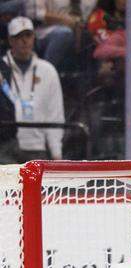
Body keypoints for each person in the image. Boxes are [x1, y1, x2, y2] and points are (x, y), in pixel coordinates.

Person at [0, 17, 63, 162]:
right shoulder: (2, 69)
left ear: (34, 37)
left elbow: (55, 114)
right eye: (18, 36)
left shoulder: (48, 70)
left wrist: (56, 153)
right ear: (10, 40)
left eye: (28, 35)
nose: (24, 41)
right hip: (5, 146)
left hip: (38, 148)